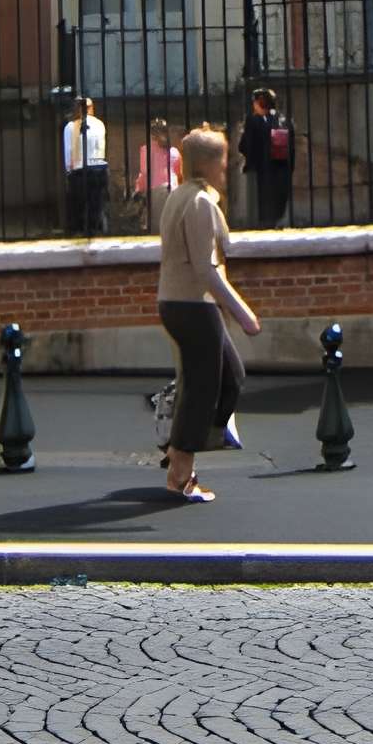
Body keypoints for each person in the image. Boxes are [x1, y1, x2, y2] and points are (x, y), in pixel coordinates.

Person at [157, 124, 260, 501]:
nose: (230, 164)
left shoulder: (182, 195)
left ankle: (184, 444)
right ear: (208, 163)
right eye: (224, 158)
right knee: (202, 390)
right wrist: (243, 312)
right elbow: (206, 268)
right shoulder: (198, 203)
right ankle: (181, 472)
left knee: (230, 376)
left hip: (182, 303)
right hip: (192, 305)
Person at [239, 86, 293, 230]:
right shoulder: (281, 120)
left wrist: (249, 162)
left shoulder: (253, 121)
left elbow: (245, 145)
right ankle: (276, 221)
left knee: (261, 204)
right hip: (280, 169)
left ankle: (263, 224)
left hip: (262, 169)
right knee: (277, 201)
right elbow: (288, 150)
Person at [61, 96, 109, 238]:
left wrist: (68, 173)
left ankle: (81, 233)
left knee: (79, 207)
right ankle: (97, 233)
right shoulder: (100, 124)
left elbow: (68, 153)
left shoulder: (70, 127)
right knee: (98, 206)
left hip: (79, 170)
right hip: (100, 169)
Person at [131, 118, 182, 233]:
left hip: (156, 190)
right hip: (173, 188)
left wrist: (139, 188)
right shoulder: (174, 151)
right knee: (172, 223)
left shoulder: (145, 150)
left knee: (157, 226)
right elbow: (179, 173)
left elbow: (145, 172)